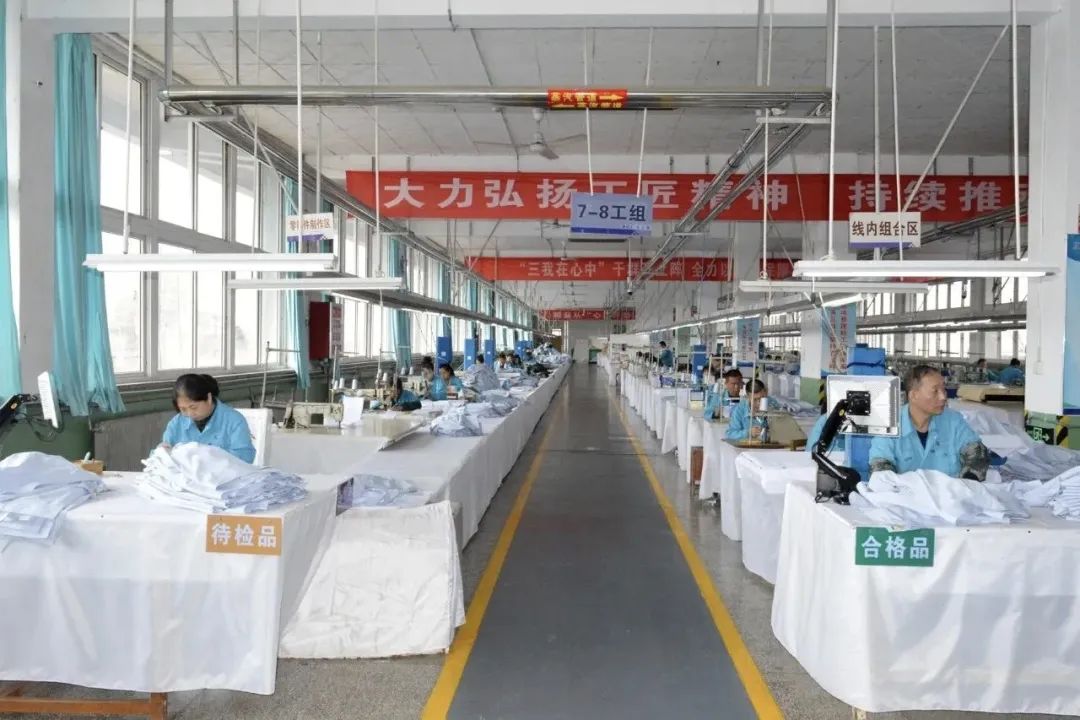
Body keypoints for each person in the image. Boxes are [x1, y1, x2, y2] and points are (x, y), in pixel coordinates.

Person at [869, 365, 989, 480]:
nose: (943, 397)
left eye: (943, 389)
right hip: (905, 493)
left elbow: (977, 454)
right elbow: (880, 468)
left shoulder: (953, 421)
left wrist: (968, 481)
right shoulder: (890, 425)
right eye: (935, 391)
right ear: (913, 395)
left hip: (950, 492)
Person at [161, 374, 255, 463]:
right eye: (183, 409)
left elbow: (246, 457)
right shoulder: (177, 422)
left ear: (209, 398)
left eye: (193, 407)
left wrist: (210, 457)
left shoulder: (234, 421)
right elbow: (163, 450)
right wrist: (163, 452)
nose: (190, 414)